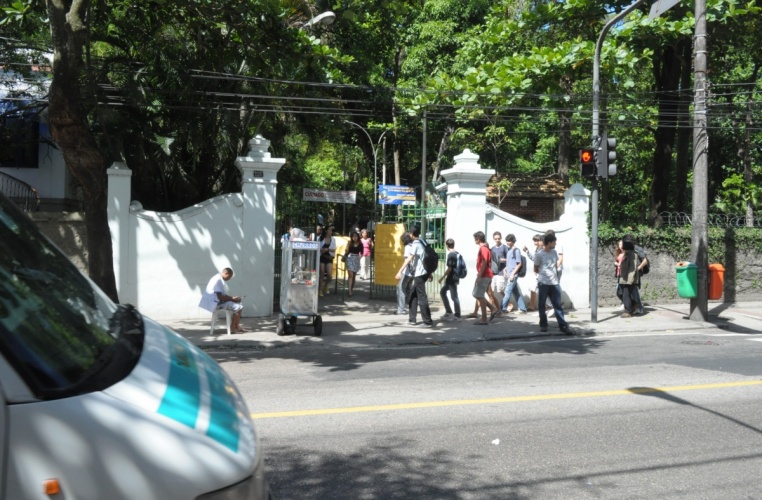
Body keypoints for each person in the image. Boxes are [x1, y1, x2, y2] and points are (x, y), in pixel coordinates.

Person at [534, 232, 573, 335]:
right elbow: (536, 268)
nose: (555, 243)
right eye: (554, 242)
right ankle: (543, 324)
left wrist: (553, 276)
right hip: (543, 282)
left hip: (554, 283)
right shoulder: (539, 254)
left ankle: (563, 325)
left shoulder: (554, 252)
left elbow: (555, 266)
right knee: (542, 304)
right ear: (550, 242)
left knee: (557, 305)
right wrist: (544, 276)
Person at [395, 226, 433, 327]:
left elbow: (409, 259)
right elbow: (426, 257)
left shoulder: (416, 243)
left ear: (411, 234)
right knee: (413, 295)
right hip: (423, 272)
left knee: (421, 297)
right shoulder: (423, 241)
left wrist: (399, 271)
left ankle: (427, 322)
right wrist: (429, 272)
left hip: (420, 273)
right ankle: (412, 319)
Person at [198, 267, 245, 333]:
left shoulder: (218, 278)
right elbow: (220, 297)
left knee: (238, 303)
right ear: (226, 273)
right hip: (215, 303)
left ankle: (236, 326)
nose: (229, 279)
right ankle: (233, 327)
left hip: (217, 301)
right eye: (229, 277)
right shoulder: (218, 280)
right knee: (239, 307)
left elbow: (221, 295)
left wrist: (233, 298)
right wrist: (232, 299)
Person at [473, 231, 499, 325]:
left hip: (485, 275)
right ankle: (493, 309)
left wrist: (479, 275)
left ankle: (484, 318)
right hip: (485, 275)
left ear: (478, 239)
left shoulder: (483, 249)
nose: (474, 240)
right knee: (477, 294)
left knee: (479, 295)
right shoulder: (484, 248)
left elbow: (484, 262)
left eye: (475, 238)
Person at [501, 233, 528, 314]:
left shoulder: (516, 250)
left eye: (509, 241)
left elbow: (519, 264)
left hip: (513, 275)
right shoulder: (509, 251)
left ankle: (502, 309)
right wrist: (505, 269)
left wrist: (512, 274)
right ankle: (523, 309)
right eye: (507, 241)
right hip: (510, 274)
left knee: (507, 292)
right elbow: (510, 262)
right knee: (516, 292)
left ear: (513, 241)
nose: (508, 242)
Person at [623, 234, 648, 315]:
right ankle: (634, 306)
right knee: (626, 290)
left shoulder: (638, 249)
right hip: (627, 272)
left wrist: (638, 268)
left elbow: (644, 261)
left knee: (632, 289)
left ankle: (637, 307)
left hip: (635, 272)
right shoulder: (626, 249)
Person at [438, 238, 462, 321]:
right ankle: (448, 311)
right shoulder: (456, 253)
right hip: (452, 278)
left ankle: (457, 315)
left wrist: (442, 277)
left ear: (447, 245)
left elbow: (450, 268)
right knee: (442, 292)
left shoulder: (451, 255)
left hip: (452, 278)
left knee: (454, 297)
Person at [618, 238, 641, 317]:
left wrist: (630, 279)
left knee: (626, 294)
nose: (622, 246)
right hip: (624, 278)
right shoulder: (627, 253)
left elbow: (632, 268)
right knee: (621, 292)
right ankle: (633, 306)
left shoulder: (632, 254)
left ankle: (628, 311)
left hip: (628, 279)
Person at [523, 234, 543, 311]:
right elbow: (534, 259)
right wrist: (527, 252)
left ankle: (549, 305)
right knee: (533, 288)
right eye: (534, 240)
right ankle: (532, 305)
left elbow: (536, 260)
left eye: (537, 240)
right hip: (537, 272)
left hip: (540, 272)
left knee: (537, 289)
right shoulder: (538, 249)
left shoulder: (541, 250)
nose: (535, 242)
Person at [490, 231, 509, 312]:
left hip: (501, 272)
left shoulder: (504, 247)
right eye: (495, 239)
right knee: (490, 290)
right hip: (493, 272)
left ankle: (508, 304)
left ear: (501, 238)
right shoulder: (492, 248)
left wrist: (501, 261)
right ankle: (491, 307)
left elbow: (510, 260)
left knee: (500, 290)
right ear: (493, 239)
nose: (497, 240)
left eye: (498, 238)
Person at [395, 232, 414, 315]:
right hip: (413, 272)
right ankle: (411, 307)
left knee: (400, 288)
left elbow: (407, 260)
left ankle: (401, 309)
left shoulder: (407, 247)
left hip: (407, 272)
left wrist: (400, 271)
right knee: (409, 289)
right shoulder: (413, 245)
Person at [343, 231, 363, 297]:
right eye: (353, 236)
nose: (354, 237)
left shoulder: (360, 244)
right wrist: (347, 247)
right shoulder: (349, 243)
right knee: (350, 275)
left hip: (356, 259)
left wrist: (360, 257)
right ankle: (349, 292)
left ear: (358, 237)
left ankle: (351, 289)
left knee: (353, 276)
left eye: (356, 236)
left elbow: (362, 252)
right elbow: (346, 250)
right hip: (349, 258)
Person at [318, 225, 336, 296]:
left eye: (331, 230)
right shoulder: (321, 238)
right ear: (326, 231)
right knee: (322, 273)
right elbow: (318, 247)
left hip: (329, 257)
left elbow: (334, 249)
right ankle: (320, 289)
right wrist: (321, 250)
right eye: (329, 230)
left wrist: (328, 249)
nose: (331, 231)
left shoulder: (333, 239)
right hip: (322, 257)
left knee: (329, 275)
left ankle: (325, 285)